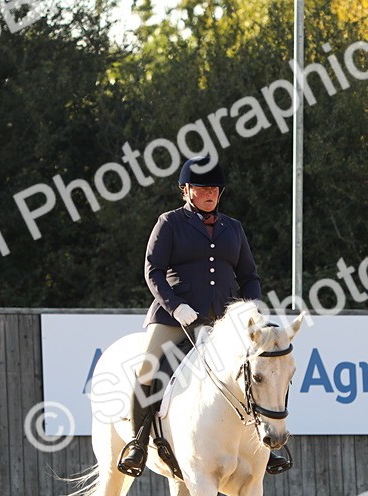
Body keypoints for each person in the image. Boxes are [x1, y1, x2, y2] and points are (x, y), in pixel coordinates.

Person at [116, 154, 292, 477]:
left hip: (223, 324)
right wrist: (174, 305)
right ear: (186, 190)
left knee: (259, 374)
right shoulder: (169, 223)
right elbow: (152, 271)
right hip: (175, 318)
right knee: (147, 369)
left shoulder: (233, 229)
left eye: (214, 188)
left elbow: (249, 276)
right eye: (202, 188)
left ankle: (269, 447)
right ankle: (138, 443)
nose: (210, 193)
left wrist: (252, 314)